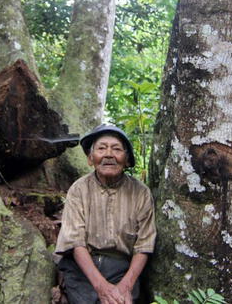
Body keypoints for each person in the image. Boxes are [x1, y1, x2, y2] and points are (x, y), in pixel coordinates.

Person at [55, 124, 156, 304]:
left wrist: (124, 287)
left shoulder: (140, 192)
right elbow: (75, 242)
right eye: (101, 148)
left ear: (126, 159)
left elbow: (144, 245)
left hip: (122, 270)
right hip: (82, 268)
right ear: (90, 158)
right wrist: (102, 288)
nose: (109, 154)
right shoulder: (78, 190)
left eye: (116, 149)